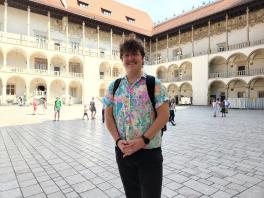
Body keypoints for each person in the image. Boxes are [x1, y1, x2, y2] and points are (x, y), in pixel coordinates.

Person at [103, 35, 169, 198]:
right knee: (132, 195)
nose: (130, 58)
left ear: (142, 57)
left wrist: (143, 140)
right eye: (126, 55)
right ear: (122, 59)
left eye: (135, 54)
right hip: (124, 152)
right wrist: (118, 141)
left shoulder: (154, 84)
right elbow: (109, 117)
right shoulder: (114, 86)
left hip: (149, 151)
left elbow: (164, 116)